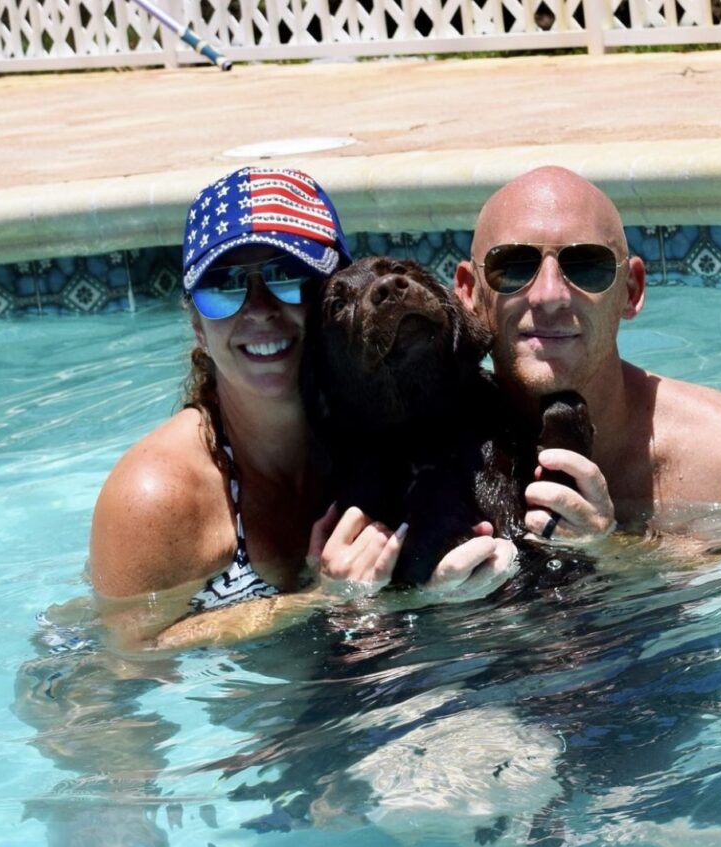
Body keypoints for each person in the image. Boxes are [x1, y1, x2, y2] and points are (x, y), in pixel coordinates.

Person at [89, 166, 513, 651]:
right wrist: (319, 598)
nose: (260, 309)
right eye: (223, 288)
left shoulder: (384, 427)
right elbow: (125, 660)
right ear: (197, 327)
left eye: (289, 279)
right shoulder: (158, 493)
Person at [453, 166, 721, 541]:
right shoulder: (410, 453)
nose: (549, 296)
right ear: (469, 293)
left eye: (586, 266)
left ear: (631, 292)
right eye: (515, 266)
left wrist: (606, 551)